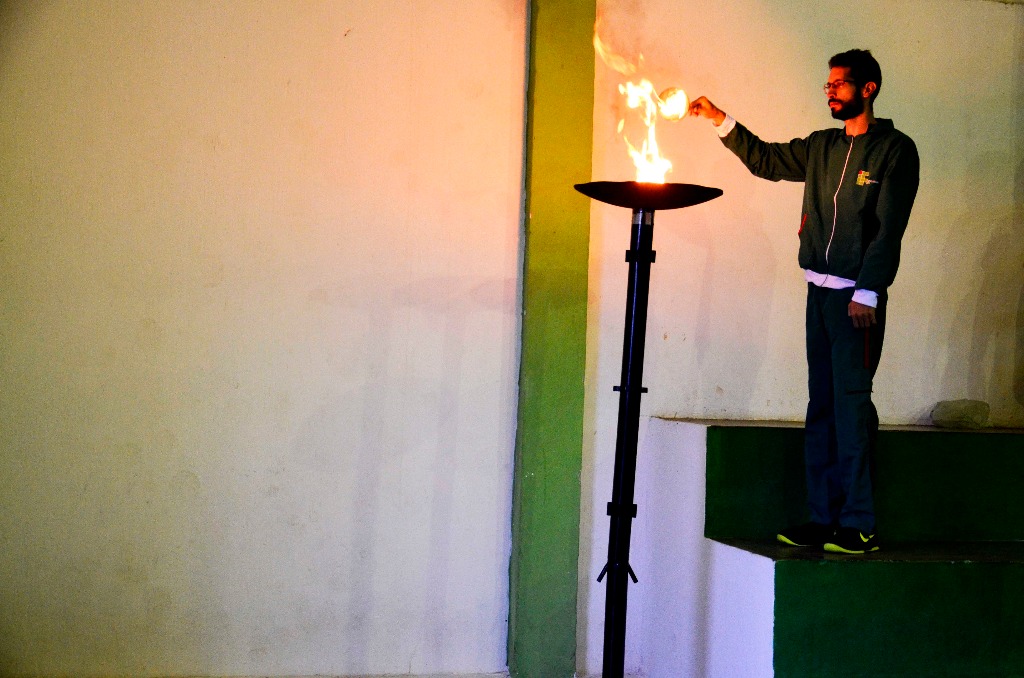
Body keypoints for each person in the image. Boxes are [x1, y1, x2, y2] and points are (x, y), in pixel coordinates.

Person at [689, 49, 919, 554]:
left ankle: (859, 524)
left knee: (851, 410)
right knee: (822, 408)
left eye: (839, 84)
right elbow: (767, 160)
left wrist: (868, 290)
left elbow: (889, 229)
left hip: (857, 302)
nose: (830, 91)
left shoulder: (895, 150)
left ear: (868, 89)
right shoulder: (821, 147)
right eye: (828, 84)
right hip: (818, 294)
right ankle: (822, 518)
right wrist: (719, 118)